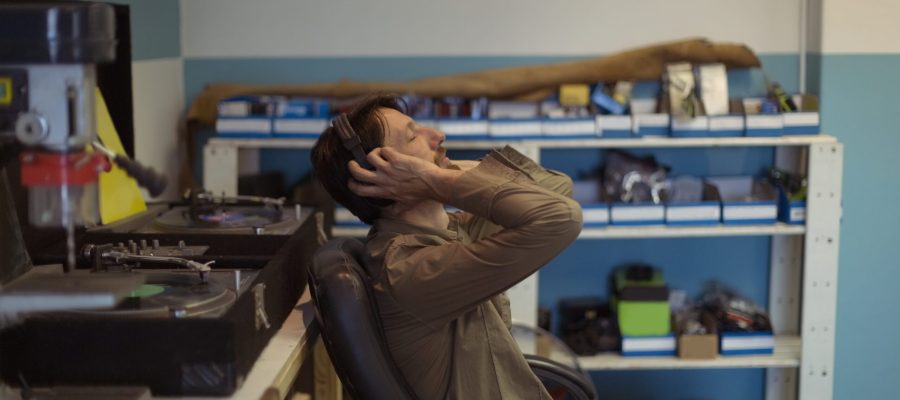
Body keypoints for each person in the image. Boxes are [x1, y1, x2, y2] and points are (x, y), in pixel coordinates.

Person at [311, 94, 582, 399]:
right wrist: (434, 179)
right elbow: (561, 218)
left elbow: (557, 188)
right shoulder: (411, 269)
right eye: (413, 136)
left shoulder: (448, 231)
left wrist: (440, 173)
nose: (438, 135)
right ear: (381, 174)